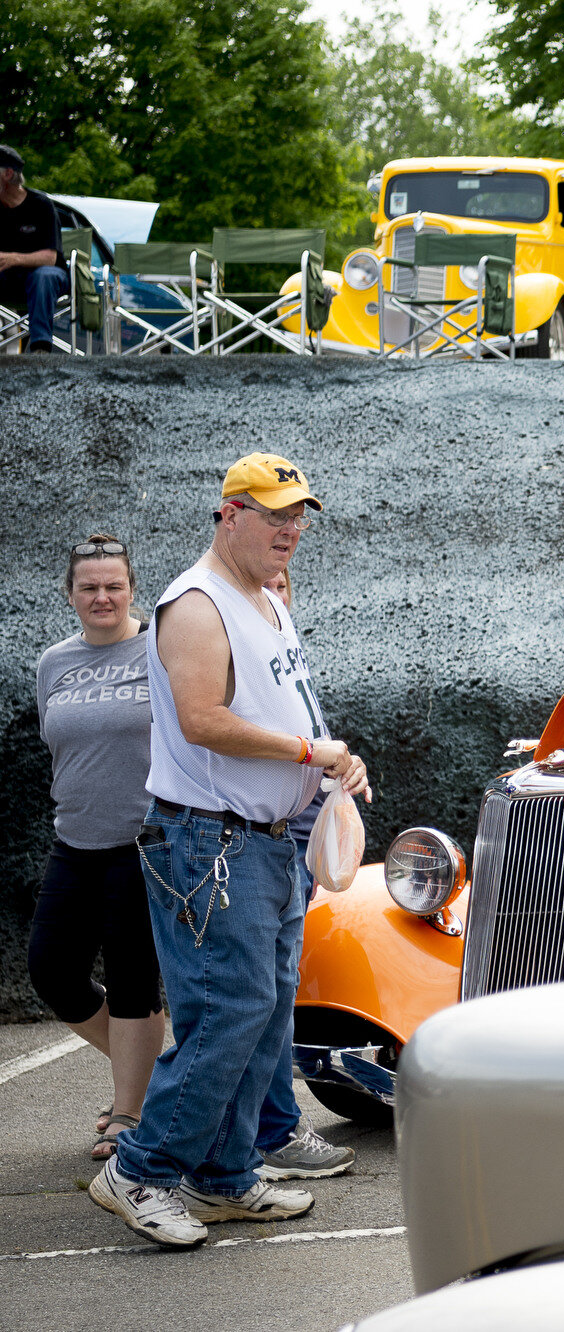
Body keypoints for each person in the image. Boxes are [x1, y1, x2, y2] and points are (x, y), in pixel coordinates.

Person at [92, 452, 372, 1250]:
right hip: (209, 842)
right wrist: (307, 755)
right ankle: (140, 1169)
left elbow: (290, 704)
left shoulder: (262, 600)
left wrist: (332, 767)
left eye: (298, 515)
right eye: (274, 513)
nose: (291, 528)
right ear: (229, 515)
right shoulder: (196, 604)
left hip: (260, 842)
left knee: (262, 1011)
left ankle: (221, 1176)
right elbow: (201, 720)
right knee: (232, 1013)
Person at [31, 535, 164, 1162]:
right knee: (51, 968)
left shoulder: (160, 649)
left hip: (144, 841)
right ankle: (157, 1076)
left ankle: (131, 1111)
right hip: (74, 840)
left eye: (114, 585)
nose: (102, 596)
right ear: (71, 595)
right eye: (89, 587)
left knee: (135, 980)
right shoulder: (54, 663)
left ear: (132, 589)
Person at [252, 565, 356, 1180]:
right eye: (263, 586)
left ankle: (267, 1130)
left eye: (284, 585)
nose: (274, 594)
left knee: (270, 998)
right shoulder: (240, 656)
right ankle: (268, 1133)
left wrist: (345, 767)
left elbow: (313, 750)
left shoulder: (287, 659)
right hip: (258, 845)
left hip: (290, 846)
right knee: (252, 1002)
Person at [0, 145, 67, 354]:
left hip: (45, 278)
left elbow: (50, 258)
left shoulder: (41, 205)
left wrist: (13, 258)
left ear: (7, 174)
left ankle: (40, 349)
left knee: (44, 275)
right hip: (7, 279)